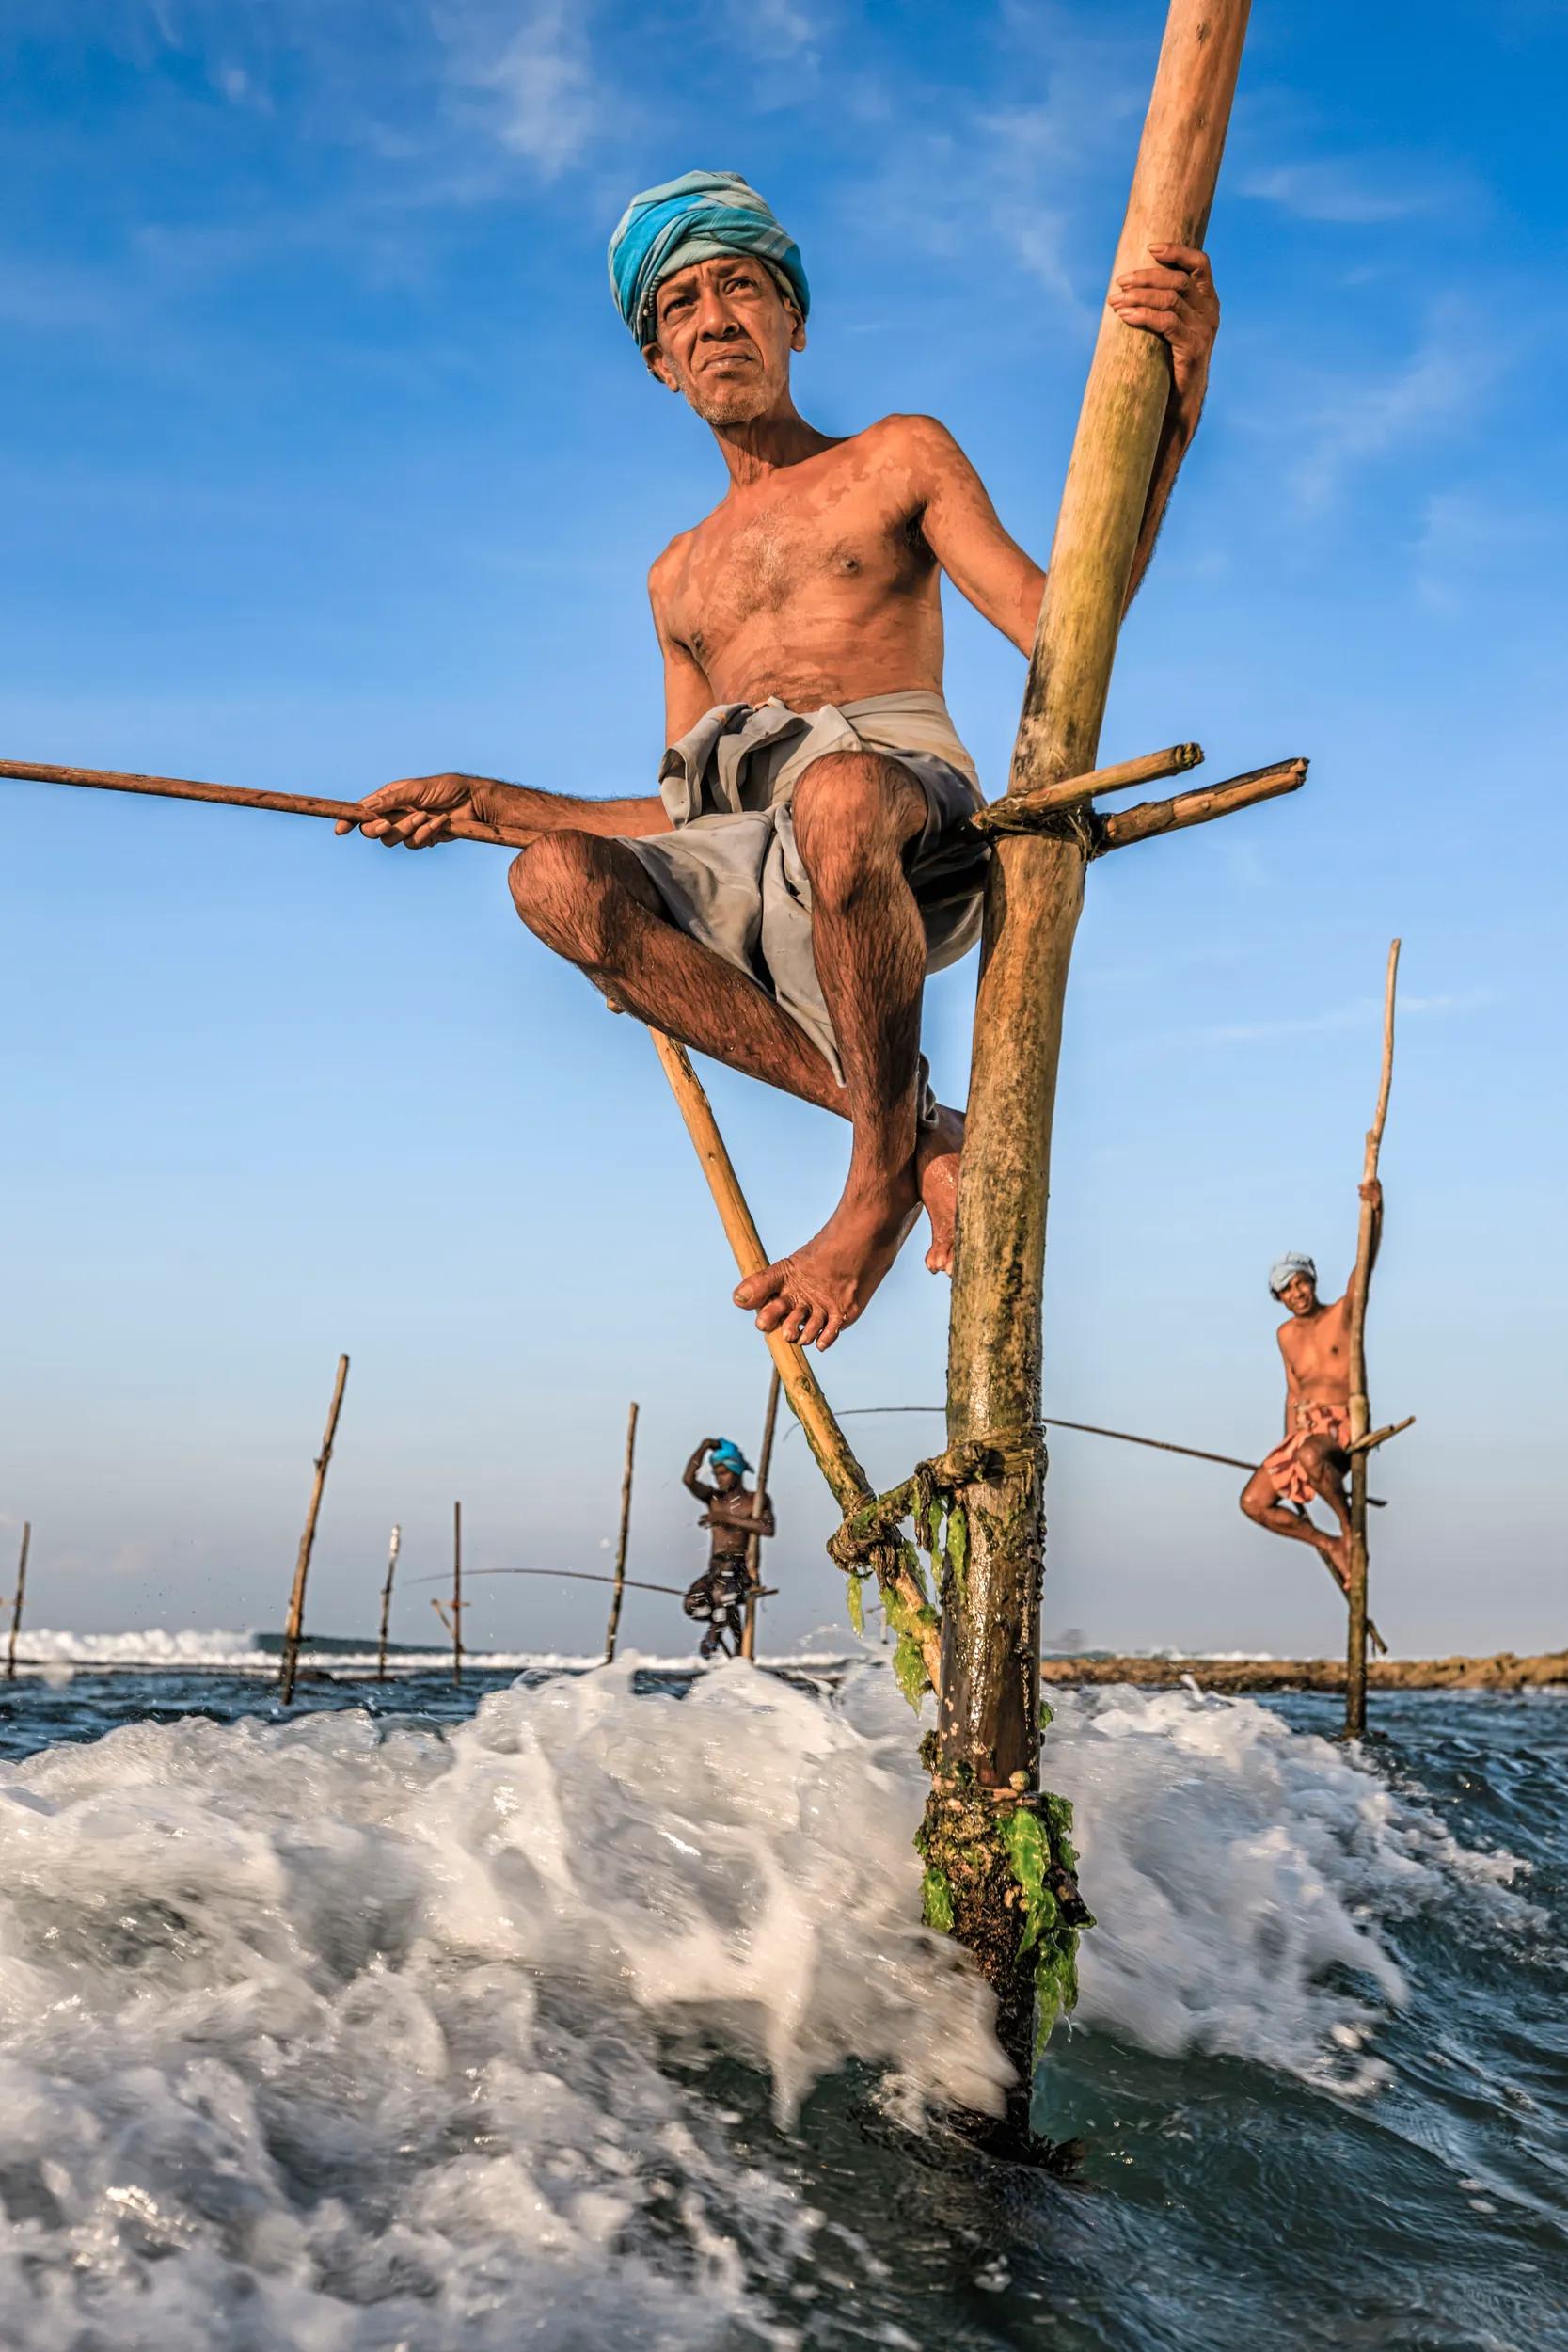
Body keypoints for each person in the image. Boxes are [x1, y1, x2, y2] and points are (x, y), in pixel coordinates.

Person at [340, 169, 1220, 1348]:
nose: (712, 319)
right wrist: (483, 803)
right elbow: (678, 817)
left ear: (791, 317)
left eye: (738, 287)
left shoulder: (896, 457)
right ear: (659, 362)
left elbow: (1065, 619)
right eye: (679, 307)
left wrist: (1178, 398)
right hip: (756, 863)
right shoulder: (674, 575)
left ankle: (871, 1185)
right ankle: (914, 1133)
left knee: (838, 795)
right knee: (549, 878)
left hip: (900, 820)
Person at [1240, 1183, 1384, 1596]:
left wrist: (1376, 1211)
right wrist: (1288, 1439)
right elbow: (1292, 1392)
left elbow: (1364, 1264)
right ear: (1280, 1297)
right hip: (1305, 1434)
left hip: (1342, 1429)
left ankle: (1348, 1529)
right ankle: (1331, 1543)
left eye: (1300, 1283)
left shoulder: (1342, 1313)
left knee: (1309, 1454)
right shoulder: (1285, 1334)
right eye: (1287, 1290)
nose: (1296, 1294)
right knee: (1253, 1503)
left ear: (1312, 1281)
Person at [680, 1436, 774, 1660]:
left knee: (724, 1593)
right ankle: (731, 1642)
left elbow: (767, 1528)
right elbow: (688, 1480)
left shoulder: (755, 1500)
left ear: (737, 1471)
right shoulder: (715, 1498)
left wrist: (726, 1519)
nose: (718, 1479)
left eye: (723, 1473)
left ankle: (719, 1636)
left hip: (741, 1571)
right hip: (716, 1570)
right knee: (693, 1603)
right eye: (715, 1474)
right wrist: (703, 1446)